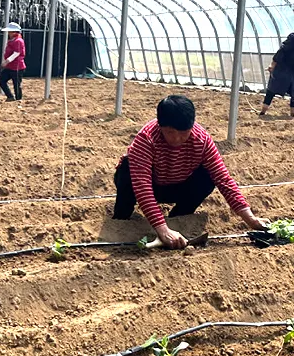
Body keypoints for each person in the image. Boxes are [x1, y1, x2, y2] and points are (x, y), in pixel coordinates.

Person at [113, 95, 269, 248]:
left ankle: (178, 218)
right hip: (148, 184)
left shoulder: (201, 139)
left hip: (178, 184)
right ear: (160, 126)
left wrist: (251, 219)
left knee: (208, 176)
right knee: (127, 169)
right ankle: (120, 219)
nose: (176, 139)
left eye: (183, 134)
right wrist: (162, 229)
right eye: (170, 133)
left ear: (192, 126)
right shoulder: (146, 139)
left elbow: (223, 179)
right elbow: (142, 185)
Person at [0, 22, 26, 101]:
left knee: (16, 84)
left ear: (14, 32)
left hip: (17, 66)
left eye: (10, 31)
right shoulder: (12, 40)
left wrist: (6, 61)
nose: (8, 33)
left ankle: (18, 99)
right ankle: (10, 96)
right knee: (1, 79)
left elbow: (16, 53)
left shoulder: (18, 41)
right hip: (10, 66)